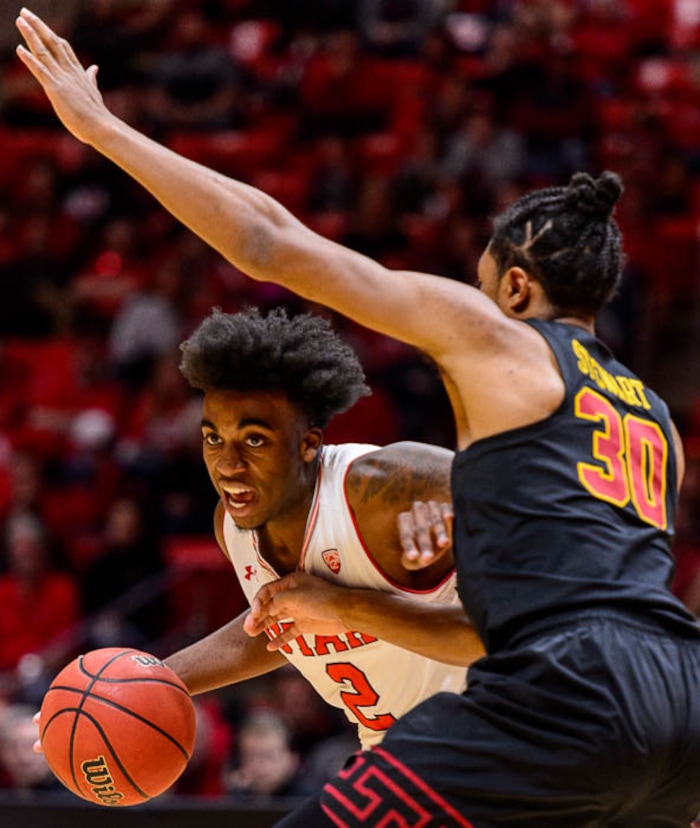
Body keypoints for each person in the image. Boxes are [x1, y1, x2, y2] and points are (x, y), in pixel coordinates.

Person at [15, 10, 700, 825]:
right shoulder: (652, 419)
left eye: (480, 280)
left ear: (514, 288)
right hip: (680, 699)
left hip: (563, 696)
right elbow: (558, 574)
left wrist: (104, 131)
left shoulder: (500, 341)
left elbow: (271, 241)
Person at [165, 305, 480, 752]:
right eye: (213, 438)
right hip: (401, 756)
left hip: (513, 736)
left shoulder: (388, 487)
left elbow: (519, 629)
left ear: (309, 443)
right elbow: (278, 627)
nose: (228, 465)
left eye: (255, 440)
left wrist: (342, 605)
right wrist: (147, 682)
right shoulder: (233, 525)